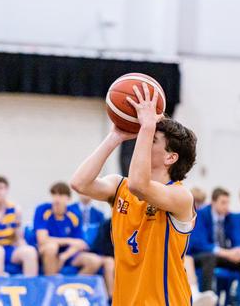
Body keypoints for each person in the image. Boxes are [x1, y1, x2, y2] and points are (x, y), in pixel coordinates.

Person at [70, 83, 197, 305]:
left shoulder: (180, 197)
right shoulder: (120, 186)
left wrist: (148, 125)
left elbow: (140, 185)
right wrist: (114, 137)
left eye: (152, 139)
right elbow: (79, 183)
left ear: (170, 157)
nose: (143, 138)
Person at [189, 188, 240, 304]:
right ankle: (208, 297)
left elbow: (237, 238)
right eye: (223, 203)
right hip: (202, 255)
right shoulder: (201, 214)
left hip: (223, 255)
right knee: (209, 257)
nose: (226, 206)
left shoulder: (230, 217)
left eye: (228, 203)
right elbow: (200, 244)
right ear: (213, 202)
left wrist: (239, 250)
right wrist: (227, 253)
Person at [33, 182, 103, 276]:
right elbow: (42, 240)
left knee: (95, 261)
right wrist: (69, 241)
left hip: (68, 253)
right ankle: (52, 285)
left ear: (68, 199)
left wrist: (64, 256)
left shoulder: (74, 215)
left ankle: (74, 287)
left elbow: (81, 243)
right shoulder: (43, 210)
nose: (57, 199)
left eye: (61, 195)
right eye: (54, 194)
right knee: (51, 247)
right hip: (45, 252)